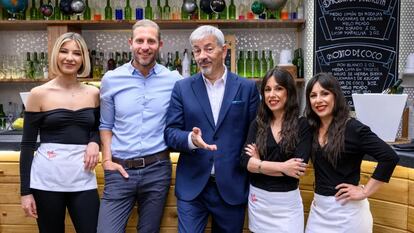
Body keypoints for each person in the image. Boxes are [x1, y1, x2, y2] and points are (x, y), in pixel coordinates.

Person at [164, 25, 260, 233]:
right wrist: (190, 138)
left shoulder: (247, 88)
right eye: (197, 50)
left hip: (232, 185)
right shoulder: (182, 88)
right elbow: (170, 133)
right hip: (192, 187)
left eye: (208, 48)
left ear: (224, 50)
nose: (202, 56)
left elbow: (254, 135)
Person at [97, 19, 182, 233]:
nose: (145, 46)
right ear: (130, 43)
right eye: (140, 40)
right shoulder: (111, 79)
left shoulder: (174, 80)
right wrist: (106, 160)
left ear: (160, 45)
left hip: (157, 170)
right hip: (119, 170)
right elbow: (106, 124)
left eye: (151, 41)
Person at [19, 32, 100, 233]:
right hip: (46, 180)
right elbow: (27, 145)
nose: (70, 58)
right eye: (64, 51)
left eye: (76, 53)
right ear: (56, 55)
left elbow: (98, 128)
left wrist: (94, 142)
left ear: (83, 59)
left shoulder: (94, 93)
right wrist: (25, 192)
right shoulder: (38, 94)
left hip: (83, 178)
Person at [303, 73, 400, 233]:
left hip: (348, 214)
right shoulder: (311, 128)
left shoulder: (353, 128)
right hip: (319, 211)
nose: (318, 100)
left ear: (336, 96)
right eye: (313, 95)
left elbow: (389, 157)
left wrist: (365, 190)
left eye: (325, 93)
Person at [240, 68, 311, 233]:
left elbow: (297, 169)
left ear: (289, 92)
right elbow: (244, 161)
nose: (272, 94)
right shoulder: (257, 125)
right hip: (259, 201)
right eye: (267, 89)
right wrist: (282, 167)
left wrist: (259, 164)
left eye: (278, 88)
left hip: (287, 204)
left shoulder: (303, 126)